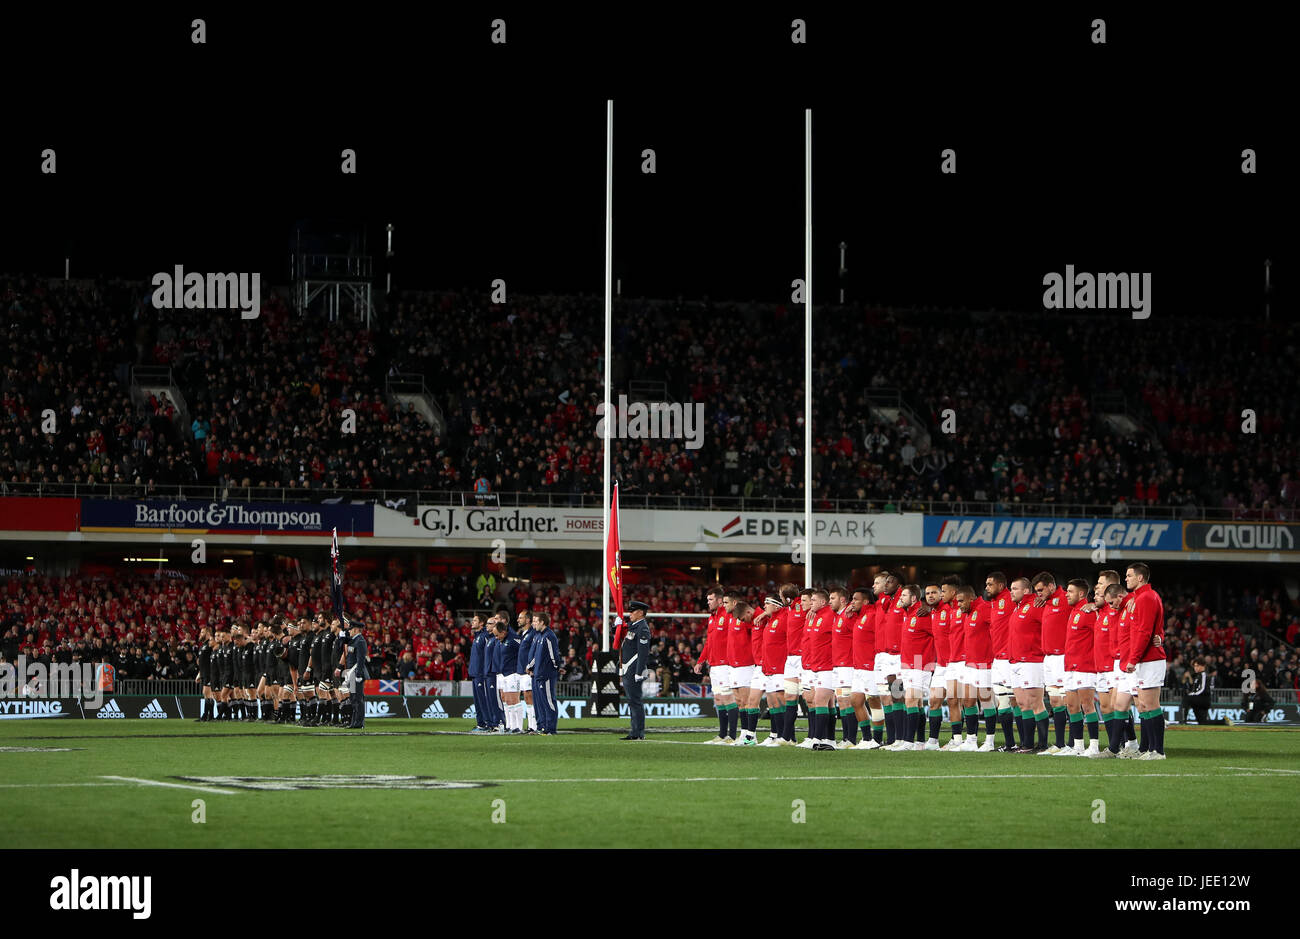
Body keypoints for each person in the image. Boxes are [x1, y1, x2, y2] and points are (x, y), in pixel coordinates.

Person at [1121, 562, 1167, 759]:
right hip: (1144, 658)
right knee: (1145, 706)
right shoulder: (1139, 598)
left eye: (1129, 575)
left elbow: (1145, 631)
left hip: (1149, 659)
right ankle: (1150, 749)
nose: (1126, 579)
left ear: (1140, 578)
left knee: (1151, 704)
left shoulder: (1147, 597)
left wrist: (1133, 658)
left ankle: (1158, 750)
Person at [620, 600, 652, 740]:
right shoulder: (634, 627)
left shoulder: (642, 628)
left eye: (632, 611)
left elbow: (643, 652)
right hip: (628, 669)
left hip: (634, 670)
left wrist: (639, 672)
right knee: (632, 701)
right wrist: (615, 625)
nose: (630, 614)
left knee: (635, 701)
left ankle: (638, 732)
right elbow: (617, 633)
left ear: (640, 613)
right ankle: (634, 731)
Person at [527, 611, 561, 735]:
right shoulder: (540, 636)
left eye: (536, 621)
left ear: (542, 622)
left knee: (548, 701)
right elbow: (537, 656)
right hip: (538, 673)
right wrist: (530, 667)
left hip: (546, 674)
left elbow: (554, 655)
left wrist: (556, 667)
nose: (533, 623)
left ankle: (551, 728)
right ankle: (542, 727)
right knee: (540, 702)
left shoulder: (549, 636)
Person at [340, 614, 370, 729]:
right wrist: (341, 637)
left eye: (351, 629)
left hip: (357, 673)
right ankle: (354, 722)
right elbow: (342, 645)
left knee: (358, 699)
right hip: (351, 673)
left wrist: (359, 673)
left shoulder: (360, 641)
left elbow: (360, 659)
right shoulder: (353, 640)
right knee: (353, 699)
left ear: (356, 629)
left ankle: (359, 723)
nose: (349, 631)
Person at [1180, 656, 1212, 725]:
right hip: (1200, 699)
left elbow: (1202, 689)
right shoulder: (1198, 676)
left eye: (1197, 666)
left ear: (1203, 666)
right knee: (1203, 723)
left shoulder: (1203, 675)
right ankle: (1223, 721)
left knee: (1186, 699)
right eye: (1194, 666)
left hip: (1203, 699)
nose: (1195, 668)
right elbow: (1194, 688)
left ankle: (1183, 721)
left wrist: (1191, 695)